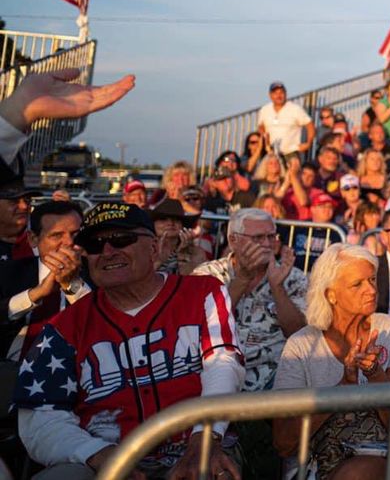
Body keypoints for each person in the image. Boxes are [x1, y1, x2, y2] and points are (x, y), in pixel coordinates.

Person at [14, 203, 245, 479]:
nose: (108, 252)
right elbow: (38, 418)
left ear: (154, 248)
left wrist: (205, 439)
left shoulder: (203, 292)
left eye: (122, 239)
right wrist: (98, 455)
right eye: (95, 245)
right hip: (102, 456)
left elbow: (224, 364)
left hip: (196, 445)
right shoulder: (64, 327)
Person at [271, 243, 390, 480]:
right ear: (331, 294)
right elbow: (284, 442)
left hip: (386, 455)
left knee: (358, 473)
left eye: (372, 279)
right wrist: (342, 389)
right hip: (314, 462)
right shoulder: (301, 345)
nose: (370, 290)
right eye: (357, 284)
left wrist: (374, 373)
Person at [192, 208, 307, 392]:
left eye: (271, 237)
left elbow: (299, 333)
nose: (267, 244)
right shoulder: (208, 275)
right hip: (217, 369)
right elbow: (197, 326)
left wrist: (277, 288)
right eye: (258, 238)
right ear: (233, 241)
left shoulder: (293, 277)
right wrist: (242, 279)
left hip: (273, 373)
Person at [1, 201, 87, 369]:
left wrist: (73, 285)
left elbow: (101, 319)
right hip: (11, 371)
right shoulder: (8, 273)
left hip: (76, 371)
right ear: (33, 239)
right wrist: (35, 294)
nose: (68, 242)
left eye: (75, 234)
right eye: (57, 235)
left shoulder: (98, 273)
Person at [258, 81, 314, 159]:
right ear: (270, 95)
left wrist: (308, 143)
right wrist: (265, 140)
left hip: (291, 152)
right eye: (275, 93)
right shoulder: (265, 109)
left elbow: (310, 125)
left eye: (281, 92)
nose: (279, 96)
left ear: (286, 94)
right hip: (271, 153)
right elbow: (261, 126)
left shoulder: (295, 109)